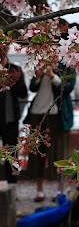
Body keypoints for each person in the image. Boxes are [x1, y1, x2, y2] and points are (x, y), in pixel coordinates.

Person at [28, 61, 76, 202]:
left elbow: (68, 88)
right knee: (37, 152)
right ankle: (39, 189)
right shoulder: (40, 62)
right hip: (37, 112)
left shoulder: (68, 64)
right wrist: (37, 76)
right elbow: (32, 87)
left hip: (57, 114)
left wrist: (53, 76)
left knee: (58, 152)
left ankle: (59, 189)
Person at [0, 44, 27, 183]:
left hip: (10, 118)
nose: (2, 51)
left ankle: (12, 185)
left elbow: (23, 94)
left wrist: (16, 82)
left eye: (5, 48)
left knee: (11, 151)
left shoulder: (15, 69)